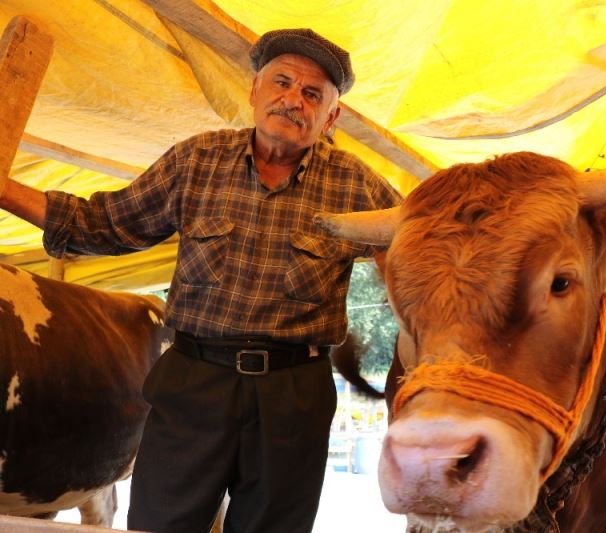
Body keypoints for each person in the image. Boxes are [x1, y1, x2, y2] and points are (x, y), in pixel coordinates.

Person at [0, 28, 402, 533]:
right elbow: (102, 224)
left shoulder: (357, 183)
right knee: (160, 524)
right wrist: (5, 190)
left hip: (294, 393)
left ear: (331, 117)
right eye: (282, 82)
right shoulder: (197, 161)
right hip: (194, 379)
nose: (292, 100)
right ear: (255, 89)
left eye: (312, 94)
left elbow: (417, 251)